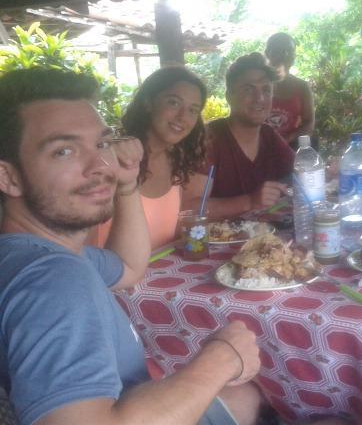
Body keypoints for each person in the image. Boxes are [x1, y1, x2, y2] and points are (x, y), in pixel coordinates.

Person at [0, 69, 262, 425]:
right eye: (64, 151)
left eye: (102, 144)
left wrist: (126, 186)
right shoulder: (54, 278)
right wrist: (222, 358)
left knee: (246, 396)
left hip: (131, 398)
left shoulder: (35, 253)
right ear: (9, 177)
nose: (100, 165)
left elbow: (129, 266)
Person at [94, 66, 208, 249]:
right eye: (174, 102)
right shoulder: (113, 158)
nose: (182, 117)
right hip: (110, 276)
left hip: (164, 275)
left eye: (193, 110)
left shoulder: (176, 161)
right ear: (148, 102)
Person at [197, 52, 293, 218]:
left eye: (266, 90)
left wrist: (327, 172)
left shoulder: (268, 135)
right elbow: (189, 208)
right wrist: (249, 201)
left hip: (265, 240)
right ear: (229, 97)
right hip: (216, 240)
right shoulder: (209, 139)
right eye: (248, 89)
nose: (260, 98)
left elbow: (300, 174)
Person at [264, 32, 314, 147]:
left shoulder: (302, 87)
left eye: (290, 50)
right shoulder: (257, 84)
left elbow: (309, 123)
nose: (285, 54)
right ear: (267, 53)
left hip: (289, 148)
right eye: (278, 50)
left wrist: (286, 139)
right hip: (255, 148)